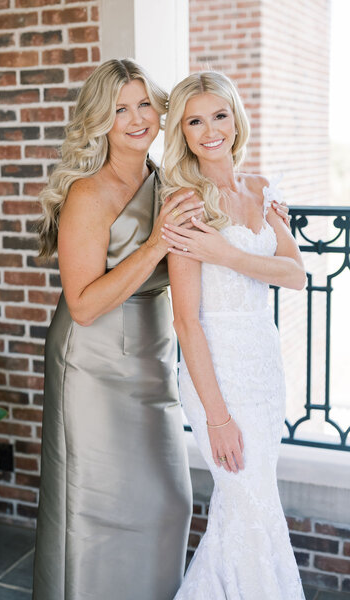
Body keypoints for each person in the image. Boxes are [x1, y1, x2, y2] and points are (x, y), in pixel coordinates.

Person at [32, 58, 199, 600]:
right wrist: (154, 246)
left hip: (152, 352)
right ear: (99, 120)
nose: (135, 118)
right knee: (95, 508)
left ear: (159, 109)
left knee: (168, 499)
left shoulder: (165, 180)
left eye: (143, 104)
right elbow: (82, 305)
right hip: (92, 362)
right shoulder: (88, 193)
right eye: (119, 108)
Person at [160, 71, 306, 599]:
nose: (209, 130)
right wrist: (217, 416)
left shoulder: (262, 188)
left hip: (264, 369)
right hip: (216, 374)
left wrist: (226, 255)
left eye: (218, 115)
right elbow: (186, 322)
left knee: (251, 507)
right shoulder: (183, 203)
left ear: (235, 118)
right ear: (182, 130)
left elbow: (297, 275)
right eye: (194, 121)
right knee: (247, 505)